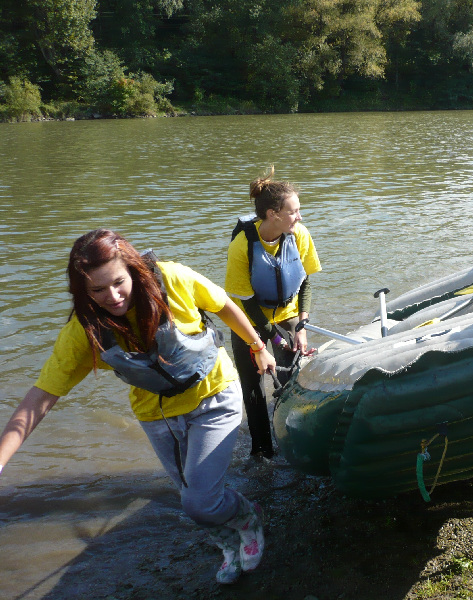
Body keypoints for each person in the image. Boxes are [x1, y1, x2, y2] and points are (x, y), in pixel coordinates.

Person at [0, 229, 277, 585]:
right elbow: (41, 396)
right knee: (192, 500)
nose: (112, 297)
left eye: (118, 283)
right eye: (97, 290)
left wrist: (257, 347)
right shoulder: (86, 330)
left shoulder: (173, 278)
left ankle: (247, 519)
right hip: (156, 415)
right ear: (83, 290)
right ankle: (227, 544)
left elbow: (222, 304)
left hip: (214, 396)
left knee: (199, 502)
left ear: (132, 270)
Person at [225, 168, 321, 461]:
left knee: (292, 380)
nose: (300, 217)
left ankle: (291, 438)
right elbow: (246, 301)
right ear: (272, 214)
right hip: (249, 322)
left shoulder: (299, 234)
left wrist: (301, 326)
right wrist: (273, 338)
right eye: (294, 212)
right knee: (254, 390)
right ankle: (262, 452)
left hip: (289, 314)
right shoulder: (242, 244)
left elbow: (305, 281)